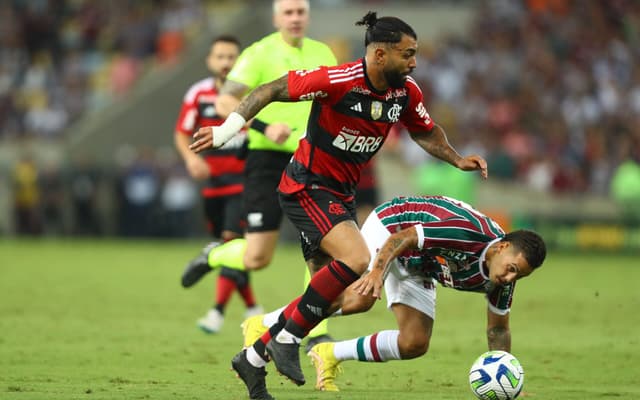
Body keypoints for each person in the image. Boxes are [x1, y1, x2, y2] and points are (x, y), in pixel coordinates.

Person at [189, 12, 489, 400]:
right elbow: (267, 91)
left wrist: (456, 158)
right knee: (357, 258)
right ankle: (288, 339)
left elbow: (425, 131)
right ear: (380, 55)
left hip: (339, 196)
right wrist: (224, 131)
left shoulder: (405, 92)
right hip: (306, 186)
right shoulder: (338, 80)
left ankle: (253, 358)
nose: (414, 62)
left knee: (349, 299)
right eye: (407, 54)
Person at [181, 0, 338, 347]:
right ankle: (214, 255)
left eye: (301, 12)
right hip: (266, 160)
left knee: (321, 243)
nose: (295, 18)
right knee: (257, 257)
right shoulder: (258, 53)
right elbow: (224, 103)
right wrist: (265, 127)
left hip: (311, 161)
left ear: (308, 16)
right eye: (289, 12)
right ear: (276, 17)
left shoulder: (324, 51)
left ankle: (317, 331)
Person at [304, 195, 546, 391]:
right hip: (393, 227)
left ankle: (328, 353)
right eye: (512, 269)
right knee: (361, 297)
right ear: (502, 247)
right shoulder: (468, 233)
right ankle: (280, 326)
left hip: (422, 262)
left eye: (519, 276)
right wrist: (377, 272)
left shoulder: (501, 280)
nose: (510, 278)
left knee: (414, 342)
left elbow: (498, 329)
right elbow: (402, 237)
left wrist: (507, 377)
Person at [174, 35, 262, 333]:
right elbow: (182, 132)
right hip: (213, 183)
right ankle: (253, 308)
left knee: (231, 240)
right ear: (210, 61)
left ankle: (216, 313)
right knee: (232, 249)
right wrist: (191, 160)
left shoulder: (252, 92)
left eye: (231, 57)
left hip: (245, 180)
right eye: (220, 57)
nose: (226, 62)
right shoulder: (198, 94)